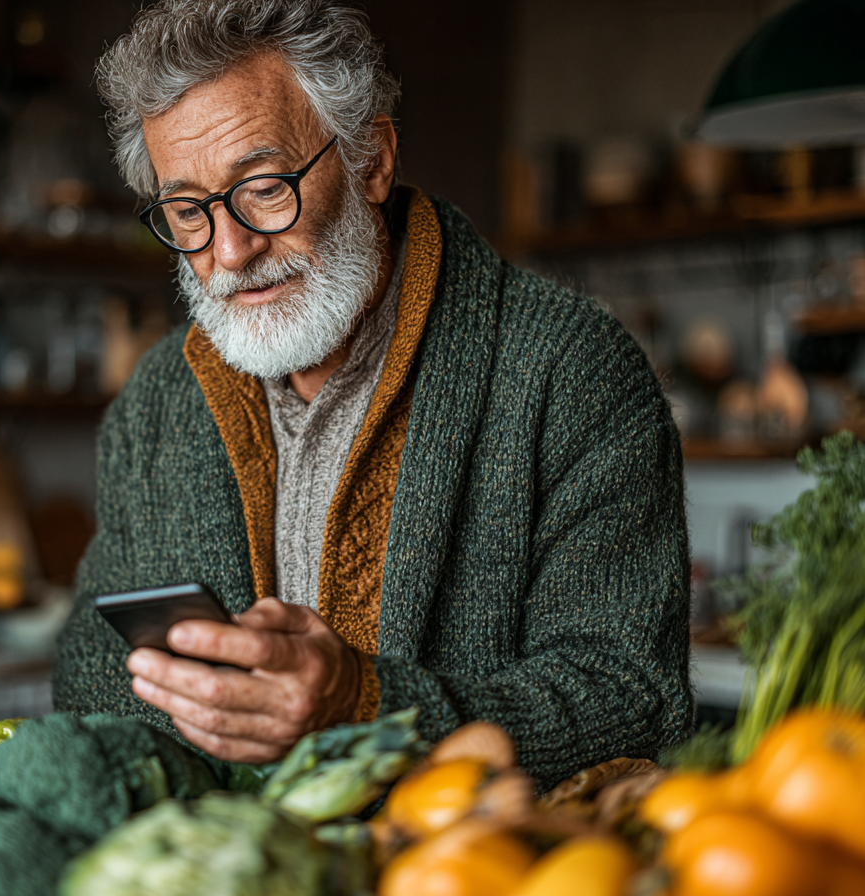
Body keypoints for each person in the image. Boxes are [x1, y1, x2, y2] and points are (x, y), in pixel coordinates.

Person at [54, 0, 693, 787]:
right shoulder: (154, 400)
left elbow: (632, 700)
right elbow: (89, 665)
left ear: (372, 159)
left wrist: (363, 704)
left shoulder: (574, 372)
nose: (229, 250)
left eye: (263, 188)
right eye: (187, 209)